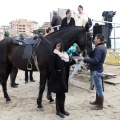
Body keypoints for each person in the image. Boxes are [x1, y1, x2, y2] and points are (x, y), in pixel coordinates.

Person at [48, 41, 78, 118]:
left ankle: (63, 110)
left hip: (63, 78)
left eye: (60, 46)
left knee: (63, 95)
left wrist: (75, 61)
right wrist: (56, 78)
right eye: (57, 46)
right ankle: (58, 111)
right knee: (59, 95)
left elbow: (67, 65)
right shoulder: (53, 55)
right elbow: (51, 69)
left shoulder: (65, 56)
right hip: (57, 79)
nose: (58, 48)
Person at [80, 34, 107, 110]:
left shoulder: (98, 48)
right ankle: (97, 101)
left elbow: (95, 60)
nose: (94, 39)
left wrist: (84, 59)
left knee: (99, 88)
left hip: (96, 70)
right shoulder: (102, 47)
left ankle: (100, 105)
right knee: (98, 87)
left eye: (95, 38)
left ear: (98, 39)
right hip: (98, 69)